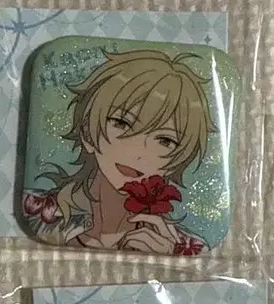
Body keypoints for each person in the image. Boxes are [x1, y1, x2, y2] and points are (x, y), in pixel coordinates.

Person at [22, 49, 214, 255]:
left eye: (165, 141)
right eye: (122, 123)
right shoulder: (35, 210)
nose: (138, 153)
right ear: (87, 133)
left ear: (176, 161)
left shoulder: (186, 246)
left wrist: (166, 259)